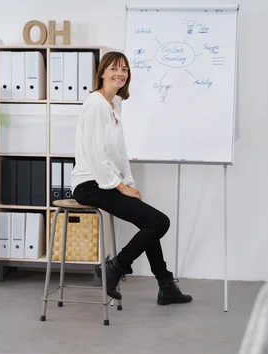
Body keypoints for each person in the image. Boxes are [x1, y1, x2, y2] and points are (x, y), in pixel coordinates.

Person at [70, 51, 192, 306]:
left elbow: (119, 155)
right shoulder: (94, 104)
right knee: (160, 222)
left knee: (150, 222)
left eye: (124, 69)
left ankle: (165, 285)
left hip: (105, 182)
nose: (120, 73)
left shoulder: (112, 105)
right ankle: (115, 268)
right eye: (114, 68)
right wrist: (121, 187)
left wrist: (129, 186)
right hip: (89, 184)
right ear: (102, 72)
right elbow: (95, 154)